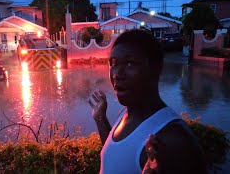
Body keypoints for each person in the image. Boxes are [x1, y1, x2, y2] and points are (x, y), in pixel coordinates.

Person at [88, 29, 206, 174]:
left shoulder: (172, 139)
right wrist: (100, 119)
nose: (117, 74)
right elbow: (117, 154)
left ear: (156, 68)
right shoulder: (125, 113)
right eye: (113, 64)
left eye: (130, 64)